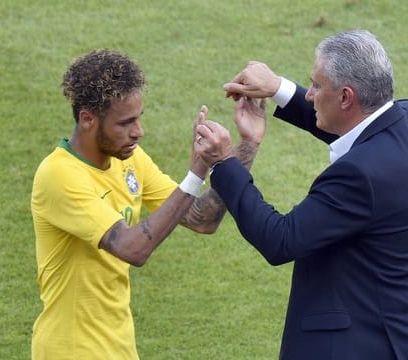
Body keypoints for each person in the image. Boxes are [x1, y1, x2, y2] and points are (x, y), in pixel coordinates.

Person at [194, 30, 408, 359]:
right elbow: (357, 130)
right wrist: (279, 88)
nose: (309, 94)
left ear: (346, 97)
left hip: (379, 345)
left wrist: (224, 162)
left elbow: (280, 239)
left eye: (316, 85)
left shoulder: (359, 176)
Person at [30, 49, 263, 359]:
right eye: (125, 123)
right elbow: (132, 248)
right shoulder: (59, 174)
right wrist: (196, 171)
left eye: (138, 118)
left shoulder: (130, 160)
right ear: (87, 119)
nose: (138, 131)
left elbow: (200, 218)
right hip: (72, 349)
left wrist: (245, 146)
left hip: (119, 348)